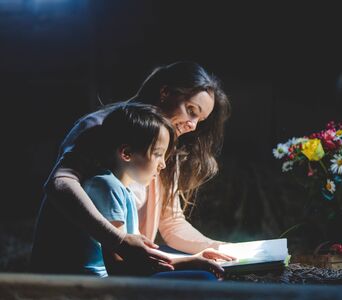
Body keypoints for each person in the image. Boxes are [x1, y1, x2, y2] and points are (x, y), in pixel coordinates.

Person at [31, 61, 232, 273]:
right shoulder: (102, 129)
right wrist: (118, 240)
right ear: (165, 92)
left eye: (200, 120)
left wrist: (220, 249)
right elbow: (60, 182)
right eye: (191, 110)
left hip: (126, 259)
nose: (192, 125)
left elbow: (171, 221)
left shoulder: (166, 149)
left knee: (199, 272)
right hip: (74, 268)